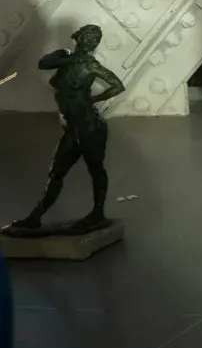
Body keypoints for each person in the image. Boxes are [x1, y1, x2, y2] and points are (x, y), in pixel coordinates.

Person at [6, 25, 124, 235]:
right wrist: (71, 60)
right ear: (79, 37)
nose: (94, 41)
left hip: (90, 125)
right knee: (57, 172)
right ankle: (34, 218)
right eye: (91, 36)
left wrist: (93, 99)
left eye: (97, 38)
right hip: (72, 127)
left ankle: (98, 213)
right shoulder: (64, 56)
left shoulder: (91, 64)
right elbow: (44, 63)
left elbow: (117, 85)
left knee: (95, 169)